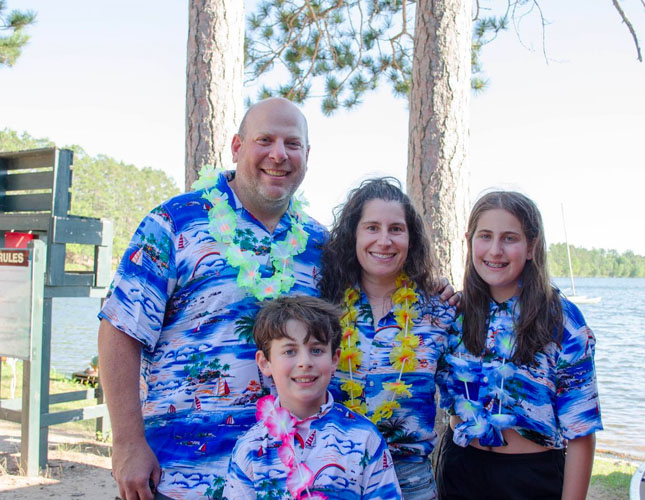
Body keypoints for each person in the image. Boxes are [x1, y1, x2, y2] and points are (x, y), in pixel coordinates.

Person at [98, 97, 328, 500]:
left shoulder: (320, 244)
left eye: (292, 144)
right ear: (238, 147)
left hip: (285, 476)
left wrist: (437, 291)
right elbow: (120, 329)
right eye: (265, 140)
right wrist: (127, 443)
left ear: (307, 155)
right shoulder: (173, 222)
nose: (279, 154)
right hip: (180, 473)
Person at [435, 191, 603, 500]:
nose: (495, 250)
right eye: (485, 236)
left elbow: (581, 431)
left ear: (531, 247)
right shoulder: (454, 313)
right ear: (470, 241)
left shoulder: (562, 320)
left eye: (509, 238)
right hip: (459, 470)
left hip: (531, 479)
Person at [318, 177, 455, 500]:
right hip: (333, 481)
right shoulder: (324, 310)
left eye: (396, 229)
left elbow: (464, 402)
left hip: (411, 483)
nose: (384, 240)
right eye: (372, 228)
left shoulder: (440, 313)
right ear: (353, 235)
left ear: (411, 238)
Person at [224, 296, 402, 499]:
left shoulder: (365, 439)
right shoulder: (250, 449)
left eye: (316, 350)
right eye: (290, 351)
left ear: (334, 359)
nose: (305, 362)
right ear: (265, 362)